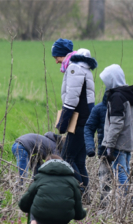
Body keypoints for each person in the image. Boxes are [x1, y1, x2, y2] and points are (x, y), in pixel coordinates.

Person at [53, 38, 97, 191]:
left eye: (56, 57)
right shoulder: (84, 68)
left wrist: (63, 124)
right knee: (79, 161)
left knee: (67, 158)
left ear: (63, 55)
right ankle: (86, 197)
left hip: (79, 120)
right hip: (88, 119)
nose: (56, 61)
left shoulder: (74, 69)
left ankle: (81, 191)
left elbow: (71, 99)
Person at [15, 155, 87, 224]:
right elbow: (78, 205)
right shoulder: (72, 181)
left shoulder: (40, 177)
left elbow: (25, 201)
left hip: (41, 218)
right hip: (64, 219)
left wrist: (25, 208)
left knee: (33, 198)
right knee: (63, 202)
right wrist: (82, 213)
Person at [100, 64, 133, 188]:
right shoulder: (128, 94)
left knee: (121, 174)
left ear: (112, 80)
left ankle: (123, 203)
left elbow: (116, 124)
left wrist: (109, 145)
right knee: (125, 171)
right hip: (127, 142)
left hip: (118, 143)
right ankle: (129, 201)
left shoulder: (117, 97)